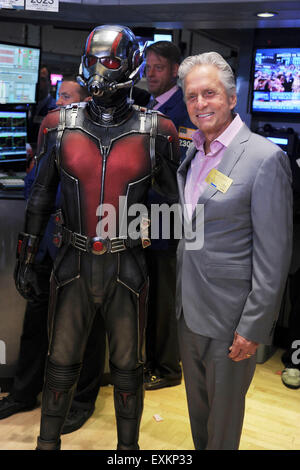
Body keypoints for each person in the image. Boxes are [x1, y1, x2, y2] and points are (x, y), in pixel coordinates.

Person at [14, 24, 179, 451]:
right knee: (59, 364)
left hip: (127, 267)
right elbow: (40, 198)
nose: (100, 72)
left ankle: (128, 452)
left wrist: (150, 230)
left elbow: (177, 207)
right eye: (92, 61)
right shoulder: (59, 125)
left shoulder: (157, 130)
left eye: (110, 61)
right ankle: (46, 443)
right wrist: (26, 256)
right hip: (71, 264)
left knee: (128, 368)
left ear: (130, 65)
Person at [176, 52, 293, 450]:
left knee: (222, 427)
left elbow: (274, 255)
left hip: (231, 319)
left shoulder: (264, 158)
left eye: (209, 93)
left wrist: (254, 326)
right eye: (192, 96)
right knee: (198, 415)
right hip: (189, 311)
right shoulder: (193, 153)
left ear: (231, 97)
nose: (200, 104)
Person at [0, 79, 106, 434]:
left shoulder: (95, 142)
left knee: (87, 331)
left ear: (84, 104)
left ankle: (82, 401)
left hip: (83, 250)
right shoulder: (53, 134)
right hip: (47, 246)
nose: (57, 103)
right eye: (58, 97)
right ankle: (24, 392)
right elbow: (35, 189)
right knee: (36, 322)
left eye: (66, 97)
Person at [144, 41, 196, 391]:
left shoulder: (183, 111)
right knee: (147, 290)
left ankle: (167, 368)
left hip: (166, 214)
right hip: (141, 213)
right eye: (147, 66)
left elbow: (182, 171)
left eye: (158, 67)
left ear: (174, 70)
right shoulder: (147, 105)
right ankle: (148, 359)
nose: (150, 73)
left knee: (163, 294)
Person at [27, 65, 57, 144]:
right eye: (35, 78)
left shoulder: (56, 110)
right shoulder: (22, 106)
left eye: (42, 79)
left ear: (49, 83)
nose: (38, 83)